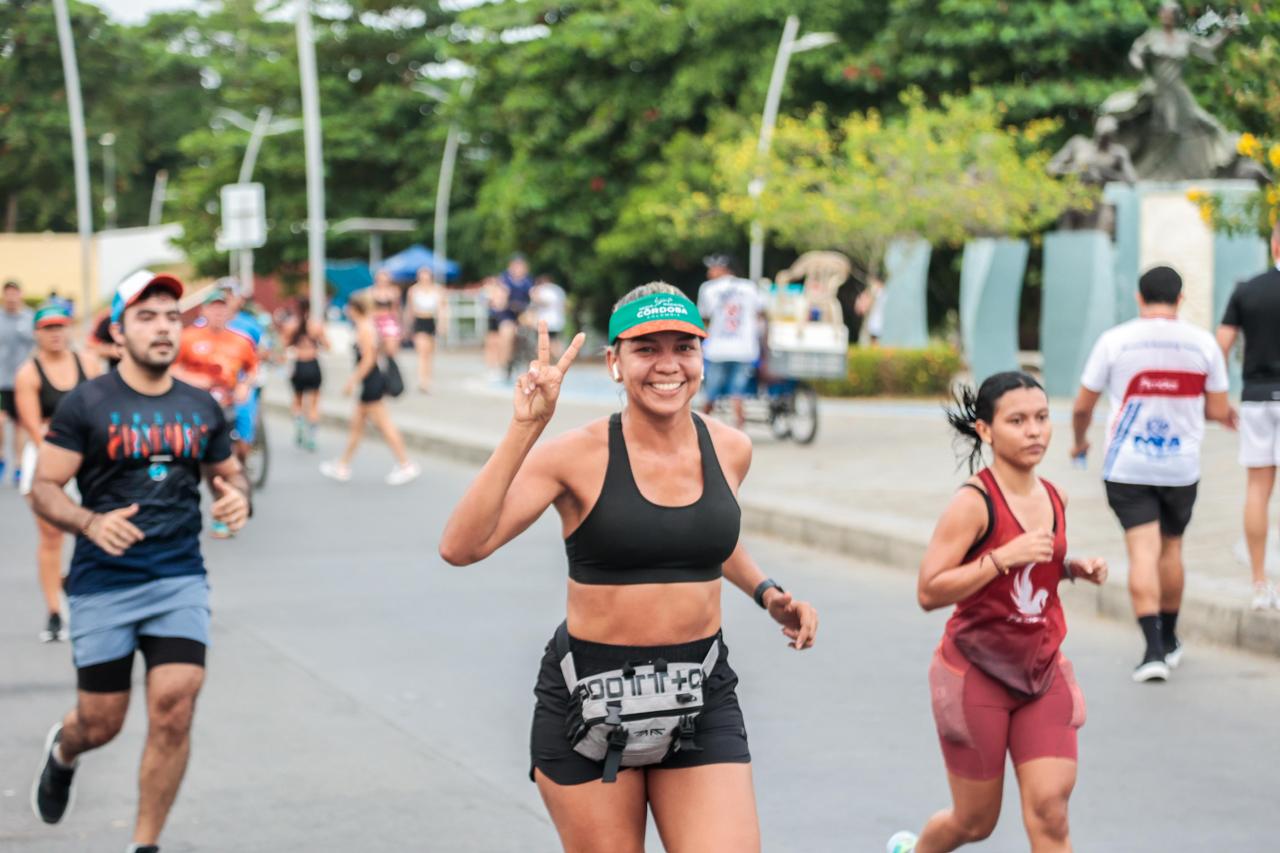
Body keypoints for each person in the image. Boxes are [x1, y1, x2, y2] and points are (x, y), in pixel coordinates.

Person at [439, 283, 818, 853]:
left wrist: (768, 593)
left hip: (700, 694)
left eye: (683, 347)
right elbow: (461, 546)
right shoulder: (574, 455)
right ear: (615, 363)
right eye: (646, 349)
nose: (668, 365)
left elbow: (700, 538)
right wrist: (526, 429)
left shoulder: (731, 448)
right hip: (588, 699)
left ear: (701, 357)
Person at [27, 272, 251, 853]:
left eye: (172, 317)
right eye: (147, 316)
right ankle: (65, 749)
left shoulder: (200, 405)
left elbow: (227, 474)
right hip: (103, 583)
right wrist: (89, 522)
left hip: (178, 577)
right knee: (101, 723)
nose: (162, 327)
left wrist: (236, 496)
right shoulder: (87, 403)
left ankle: (143, 845)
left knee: (175, 707)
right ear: (120, 331)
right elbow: (44, 487)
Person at [887, 372, 1107, 853]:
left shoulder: (1054, 496)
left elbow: (1035, 571)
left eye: (1043, 418)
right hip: (976, 674)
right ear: (985, 430)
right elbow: (929, 590)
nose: (1035, 431)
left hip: (1043, 670)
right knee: (974, 822)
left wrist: (1070, 568)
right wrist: (1001, 557)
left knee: (1051, 811)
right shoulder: (973, 503)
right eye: (1018, 421)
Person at [1072, 266, 1233, 682]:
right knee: (1171, 550)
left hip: (1127, 465)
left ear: (1139, 298)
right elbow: (1216, 410)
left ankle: (1152, 650)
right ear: (1180, 299)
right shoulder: (1203, 344)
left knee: (1142, 552)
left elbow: (1082, 406)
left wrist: (1079, 442)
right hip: (1181, 467)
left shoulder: (1115, 341)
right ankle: (1172, 637)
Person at [14, 303, 97, 642]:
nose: (55, 334)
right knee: (51, 535)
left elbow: (102, 409)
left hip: (88, 453)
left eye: (60, 326)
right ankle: (53, 611)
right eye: (48, 328)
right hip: (48, 455)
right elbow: (34, 427)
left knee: (90, 529)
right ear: (37, 334)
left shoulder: (87, 364)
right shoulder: (29, 373)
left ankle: (85, 594)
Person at [1217, 220, 1280, 610]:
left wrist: (1220, 401)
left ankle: (1260, 584)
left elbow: (1218, 347)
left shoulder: (1247, 290)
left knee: (1257, 490)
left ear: (1274, 244)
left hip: (1257, 399)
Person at [172, 287, 259, 538]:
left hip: (227, 407)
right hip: (194, 409)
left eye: (223, 307)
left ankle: (230, 503)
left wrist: (244, 385)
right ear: (204, 310)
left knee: (234, 453)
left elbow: (252, 369)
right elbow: (171, 369)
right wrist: (195, 380)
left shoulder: (241, 340)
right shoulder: (188, 338)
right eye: (213, 307)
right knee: (197, 463)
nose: (218, 312)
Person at [319, 290, 420, 485]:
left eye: (349, 307)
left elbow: (368, 359)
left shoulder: (365, 328)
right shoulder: (367, 325)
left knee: (384, 425)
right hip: (370, 381)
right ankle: (343, 464)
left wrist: (352, 381)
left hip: (371, 381)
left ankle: (406, 464)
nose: (347, 310)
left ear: (355, 309)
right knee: (356, 426)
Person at [697, 254, 766, 429]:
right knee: (738, 392)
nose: (709, 272)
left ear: (723, 268)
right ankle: (738, 429)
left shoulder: (708, 288)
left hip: (717, 349)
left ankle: (699, 427)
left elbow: (704, 318)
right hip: (745, 348)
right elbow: (761, 313)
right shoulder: (749, 287)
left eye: (712, 268)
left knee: (711, 391)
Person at [282, 297, 329, 452]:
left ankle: (299, 423)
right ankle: (312, 436)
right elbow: (328, 345)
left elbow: (284, 346)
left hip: (299, 365)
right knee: (314, 403)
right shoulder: (316, 326)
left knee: (297, 401)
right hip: (313, 364)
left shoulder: (291, 325)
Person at [1, 278, 35, 485]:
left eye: (15, 292)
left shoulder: (29, 318)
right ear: (5, 295)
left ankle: (19, 466)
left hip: (23, 380)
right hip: (1, 379)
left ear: (20, 294)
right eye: (8, 293)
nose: (12, 296)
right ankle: (2, 458)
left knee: (21, 425)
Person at [406, 267, 448, 393]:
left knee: (429, 353)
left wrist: (442, 324)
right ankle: (422, 380)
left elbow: (441, 309)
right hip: (419, 321)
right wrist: (408, 326)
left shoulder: (438, 290)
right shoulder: (413, 290)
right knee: (422, 351)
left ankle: (428, 379)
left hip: (431, 320)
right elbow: (410, 309)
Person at [531, 275, 568, 359]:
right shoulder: (559, 290)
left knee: (543, 344)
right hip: (557, 322)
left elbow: (542, 301)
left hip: (546, 322)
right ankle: (560, 360)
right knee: (555, 342)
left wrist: (533, 295)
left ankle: (548, 361)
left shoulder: (544, 290)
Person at [482, 275, 510, 380]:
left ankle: (499, 365)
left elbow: (502, 304)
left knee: (499, 343)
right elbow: (487, 302)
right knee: (490, 343)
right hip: (492, 318)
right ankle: (491, 366)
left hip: (500, 318)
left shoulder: (504, 291)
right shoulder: (488, 291)